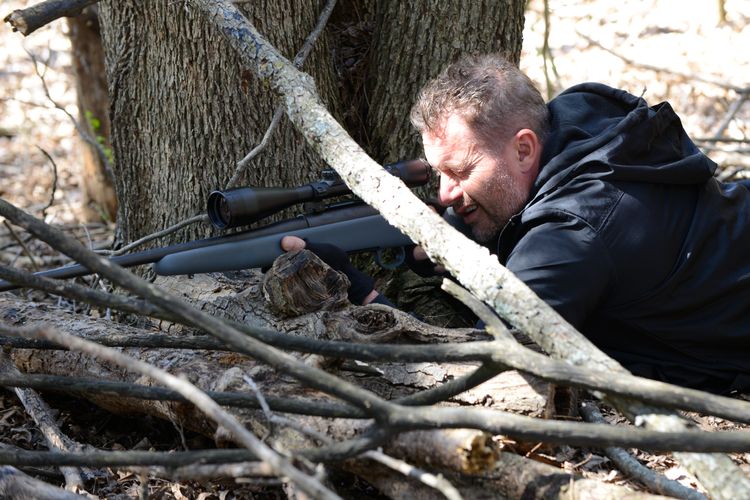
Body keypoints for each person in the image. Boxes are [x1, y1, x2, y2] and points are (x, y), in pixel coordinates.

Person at [284, 53, 750, 395]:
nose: (444, 193)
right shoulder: (582, 120)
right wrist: (454, 251)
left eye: (462, 172)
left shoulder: (569, 235)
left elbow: (481, 380)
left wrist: (362, 294)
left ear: (524, 148)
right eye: (439, 173)